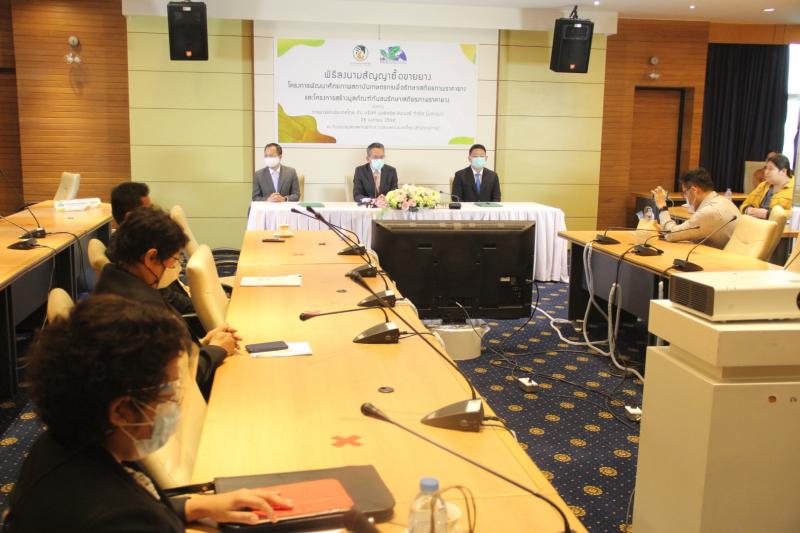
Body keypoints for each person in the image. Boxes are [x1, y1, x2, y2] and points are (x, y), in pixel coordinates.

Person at [4, 295, 292, 532]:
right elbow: (128, 515)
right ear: (122, 410)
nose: (176, 403)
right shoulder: (122, 520)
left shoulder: (56, 447)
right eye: (169, 393)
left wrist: (196, 505)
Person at [96, 206, 239, 399]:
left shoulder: (115, 282)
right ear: (151, 257)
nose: (176, 267)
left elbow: (163, 356)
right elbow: (178, 379)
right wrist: (218, 350)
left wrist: (205, 342)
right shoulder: (140, 312)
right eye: (174, 259)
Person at [109, 181, 193, 315]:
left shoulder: (124, 259)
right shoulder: (142, 308)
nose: (152, 215)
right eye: (174, 260)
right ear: (151, 258)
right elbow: (170, 299)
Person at [652, 168, 739, 249]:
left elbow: (671, 235)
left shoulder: (709, 212)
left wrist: (662, 207)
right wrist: (665, 229)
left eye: (685, 193)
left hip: (723, 258)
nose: (685, 197)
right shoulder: (725, 201)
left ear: (694, 190)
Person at [740, 153, 794, 219]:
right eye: (766, 168)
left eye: (770, 169)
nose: (766, 172)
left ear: (783, 171)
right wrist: (747, 210)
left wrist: (768, 214)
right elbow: (744, 204)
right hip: (755, 222)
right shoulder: (763, 185)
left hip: (778, 224)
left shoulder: (795, 189)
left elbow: (795, 214)